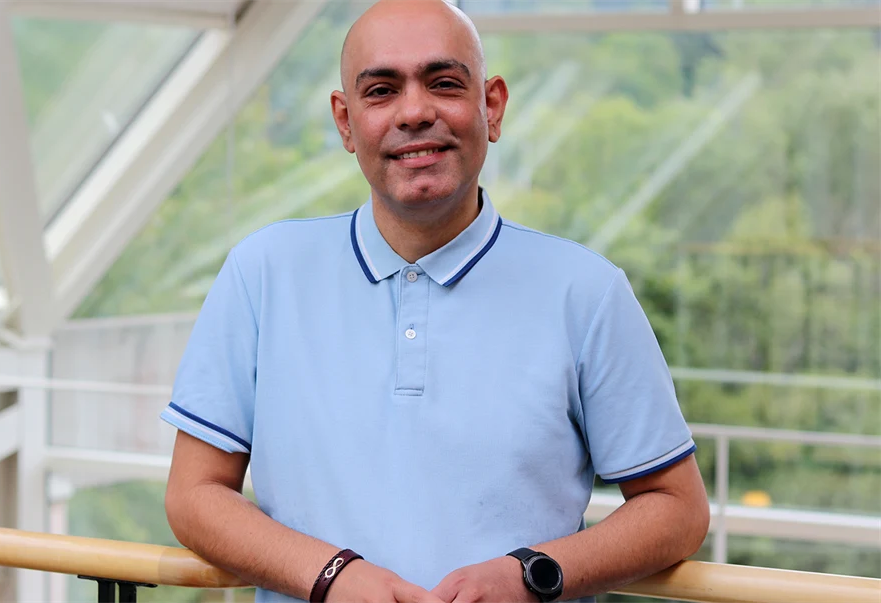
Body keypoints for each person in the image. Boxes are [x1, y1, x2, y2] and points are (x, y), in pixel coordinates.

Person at [160, 1, 710, 602]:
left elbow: (677, 509)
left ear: (491, 106)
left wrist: (530, 575)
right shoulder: (262, 273)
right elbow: (193, 495)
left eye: (444, 83)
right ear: (345, 122)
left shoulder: (588, 293)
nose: (415, 112)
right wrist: (330, 576)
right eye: (381, 91)